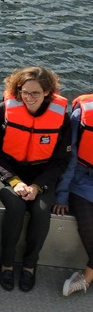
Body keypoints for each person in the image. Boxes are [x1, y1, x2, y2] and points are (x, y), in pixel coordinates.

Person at [0, 66, 71, 292]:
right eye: (24, 92)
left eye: (35, 93)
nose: (29, 97)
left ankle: (30, 265)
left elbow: (61, 161)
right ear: (17, 90)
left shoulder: (63, 119)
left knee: (42, 211)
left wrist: (37, 186)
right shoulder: (3, 111)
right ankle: (6, 263)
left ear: (47, 93)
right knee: (15, 205)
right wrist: (15, 182)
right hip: (4, 171)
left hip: (41, 175)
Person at [54, 93, 93, 296]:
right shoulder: (81, 115)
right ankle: (87, 276)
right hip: (82, 182)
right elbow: (70, 159)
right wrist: (62, 195)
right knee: (88, 225)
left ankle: (88, 275)